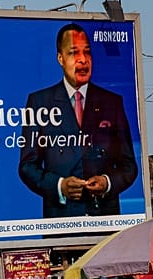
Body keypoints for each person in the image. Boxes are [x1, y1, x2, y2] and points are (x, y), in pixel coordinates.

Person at [18, 22, 138, 219]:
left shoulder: (111, 102)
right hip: (62, 222)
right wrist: (60, 186)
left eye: (87, 52)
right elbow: (27, 166)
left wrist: (107, 183)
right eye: (74, 52)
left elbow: (129, 166)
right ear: (61, 58)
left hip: (104, 222)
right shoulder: (40, 102)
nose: (83, 60)